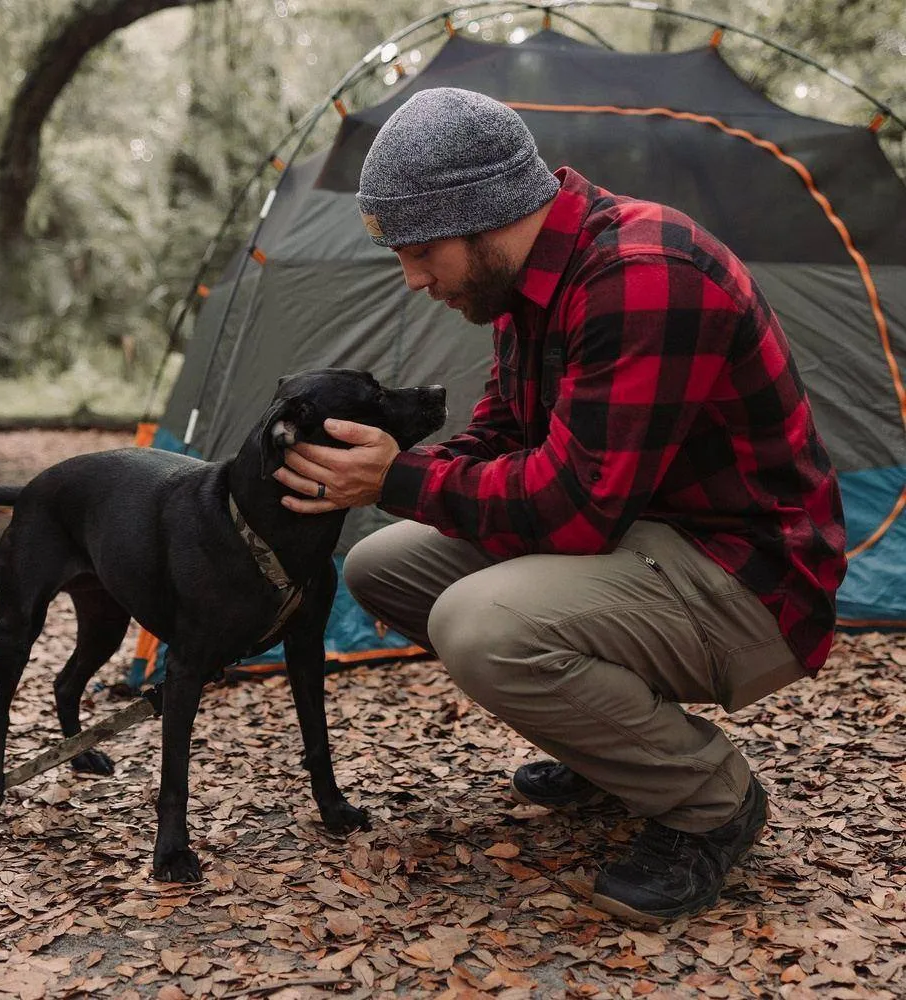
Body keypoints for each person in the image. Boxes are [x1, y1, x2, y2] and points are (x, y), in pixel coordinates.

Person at [272, 87, 847, 925]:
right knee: (380, 565)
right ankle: (617, 753)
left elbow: (575, 509)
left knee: (481, 624)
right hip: (646, 538)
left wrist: (397, 481)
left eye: (422, 251)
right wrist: (392, 466)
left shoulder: (644, 276)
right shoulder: (530, 283)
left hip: (751, 579)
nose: (415, 279)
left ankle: (710, 803)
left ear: (485, 215)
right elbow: (504, 433)